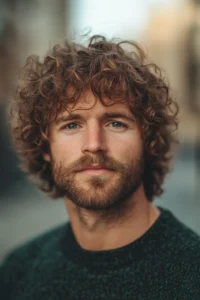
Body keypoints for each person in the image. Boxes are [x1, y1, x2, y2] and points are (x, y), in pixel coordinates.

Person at [0, 35, 200, 300]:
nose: (94, 145)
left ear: (148, 141)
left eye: (116, 123)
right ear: (45, 147)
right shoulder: (18, 271)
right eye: (71, 125)